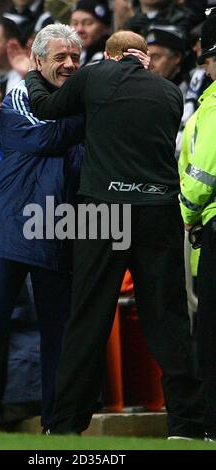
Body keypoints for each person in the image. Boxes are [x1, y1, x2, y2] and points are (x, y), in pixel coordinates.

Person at [26, 28, 205, 438]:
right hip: (159, 210)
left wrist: (34, 73)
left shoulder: (93, 75)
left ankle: (66, 424)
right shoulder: (169, 92)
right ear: (144, 57)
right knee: (169, 319)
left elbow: (48, 108)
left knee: (89, 315)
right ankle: (188, 424)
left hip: (103, 209)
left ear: (109, 56)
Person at [0, 24, 84, 433]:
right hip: (15, 225)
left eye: (75, 57)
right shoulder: (20, 96)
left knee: (59, 330)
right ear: (37, 60)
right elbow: (46, 137)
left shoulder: (78, 99)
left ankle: (55, 420)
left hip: (61, 226)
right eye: (60, 57)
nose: (69, 64)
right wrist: (88, 117)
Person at [178, 13, 216, 441]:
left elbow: (204, 170)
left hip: (209, 224)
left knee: (209, 334)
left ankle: (211, 424)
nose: (205, 68)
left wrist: (186, 211)